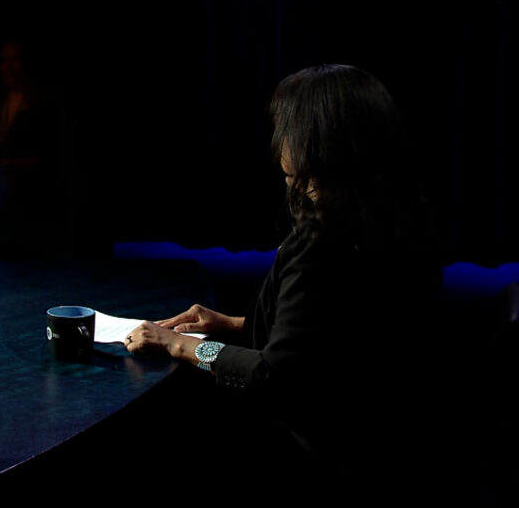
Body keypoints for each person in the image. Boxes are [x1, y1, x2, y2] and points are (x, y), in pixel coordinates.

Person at [122, 64, 444, 502]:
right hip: (395, 438)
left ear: (317, 140)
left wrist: (179, 344)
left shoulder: (323, 242)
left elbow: (276, 377)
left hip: (326, 455)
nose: (279, 152)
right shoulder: (404, 218)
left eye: (285, 130)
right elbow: (334, 335)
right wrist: (233, 324)